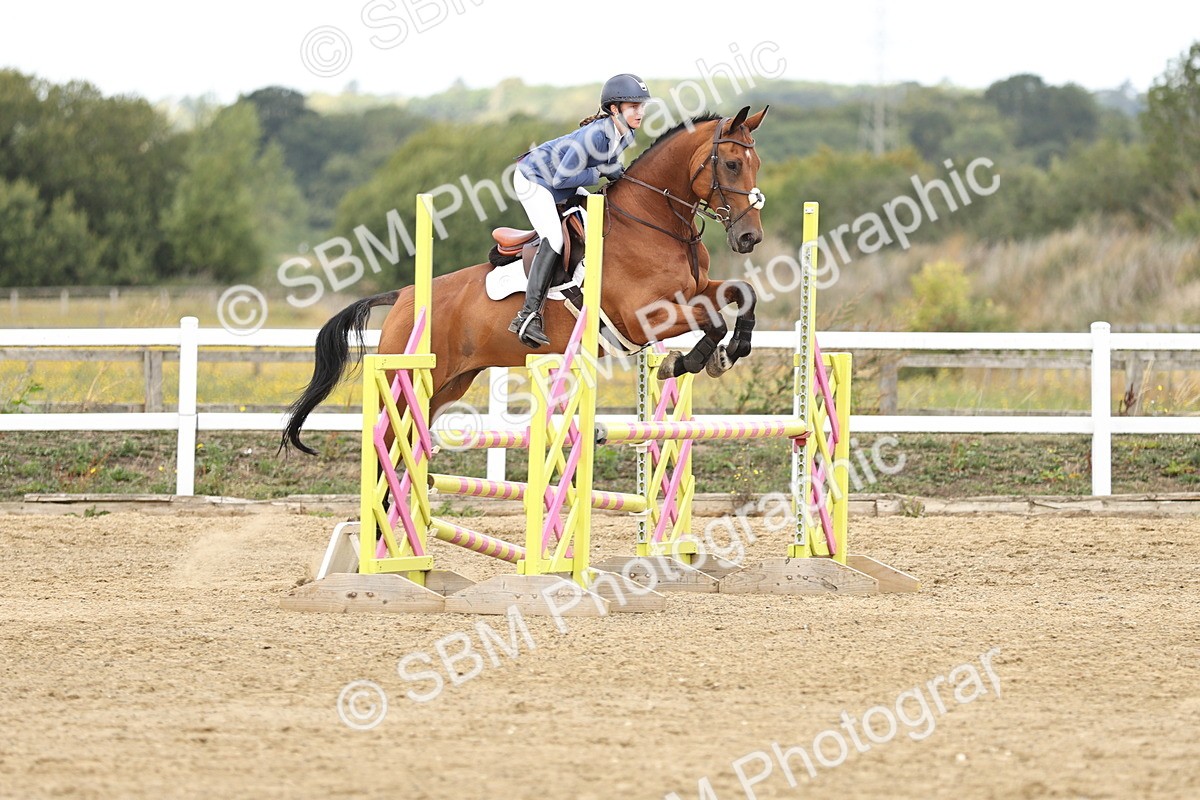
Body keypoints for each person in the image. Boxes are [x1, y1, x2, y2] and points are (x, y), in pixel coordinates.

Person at [508, 73, 650, 347]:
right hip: (534, 179)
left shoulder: (626, 133)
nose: (640, 112)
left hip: (560, 183)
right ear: (614, 109)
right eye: (634, 106)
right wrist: (601, 172)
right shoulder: (595, 136)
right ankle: (527, 316)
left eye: (642, 106)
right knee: (555, 238)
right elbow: (562, 178)